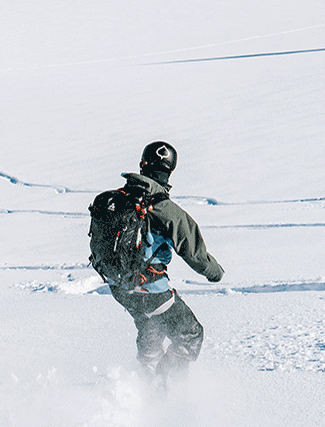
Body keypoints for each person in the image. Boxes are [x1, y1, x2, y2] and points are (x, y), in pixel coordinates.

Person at [89, 140, 224, 384]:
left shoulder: (118, 199)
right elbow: (196, 256)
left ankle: (141, 384)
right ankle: (163, 389)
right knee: (190, 336)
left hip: (120, 288)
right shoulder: (166, 209)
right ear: (170, 171)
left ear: (142, 165)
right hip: (151, 291)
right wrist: (216, 273)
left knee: (149, 328)